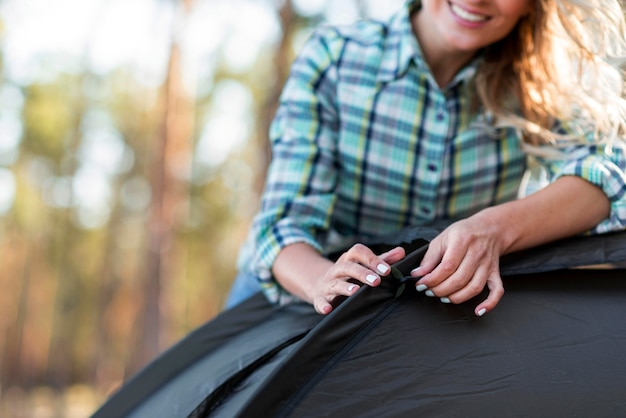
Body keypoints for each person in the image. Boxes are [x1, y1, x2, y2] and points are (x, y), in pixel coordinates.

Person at [225, 0, 626, 317]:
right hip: (298, 294)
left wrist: (493, 229)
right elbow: (280, 228)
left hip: (428, 309)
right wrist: (322, 281)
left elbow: (611, 177)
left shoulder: (540, 84)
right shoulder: (335, 57)